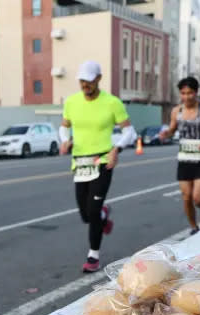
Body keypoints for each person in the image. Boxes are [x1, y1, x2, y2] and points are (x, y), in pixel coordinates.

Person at [59, 60, 136, 273]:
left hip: (103, 161)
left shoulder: (112, 103)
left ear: (99, 79)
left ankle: (93, 256)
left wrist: (116, 149)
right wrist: (65, 140)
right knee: (86, 214)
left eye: (89, 80)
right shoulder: (71, 102)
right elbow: (64, 127)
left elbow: (130, 132)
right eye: (82, 80)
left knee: (92, 212)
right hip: (80, 163)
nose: (85, 84)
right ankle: (102, 213)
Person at [160, 77, 200, 235]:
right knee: (186, 197)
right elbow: (173, 129)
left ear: (196, 93)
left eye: (190, 93)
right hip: (185, 158)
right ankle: (194, 227)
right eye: (183, 93)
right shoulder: (177, 111)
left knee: (197, 198)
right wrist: (166, 134)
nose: (186, 97)